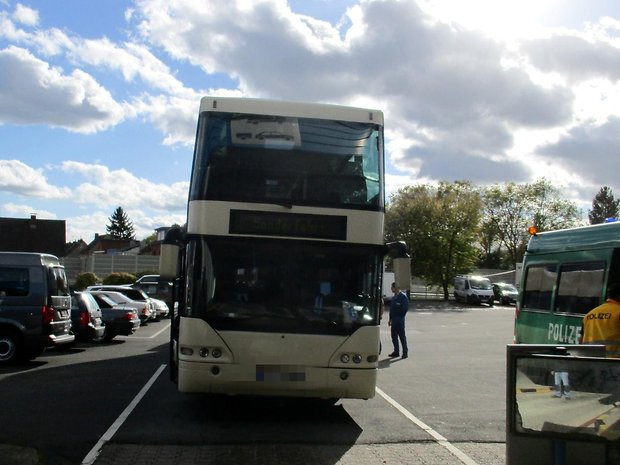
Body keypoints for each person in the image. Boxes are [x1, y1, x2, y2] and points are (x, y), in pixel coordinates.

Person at [582, 282, 620, 358]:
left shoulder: (589, 314)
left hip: (590, 361)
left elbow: (581, 339)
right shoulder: (618, 312)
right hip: (614, 364)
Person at [388, 282, 409, 359]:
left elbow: (404, 309)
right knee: (394, 337)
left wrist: (398, 319)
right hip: (393, 321)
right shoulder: (394, 298)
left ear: (396, 288)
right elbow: (391, 309)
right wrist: (390, 319)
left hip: (399, 321)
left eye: (392, 287)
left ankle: (405, 352)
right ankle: (396, 351)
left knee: (402, 337)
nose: (391, 289)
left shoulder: (403, 297)